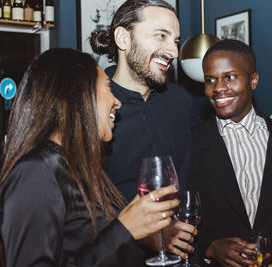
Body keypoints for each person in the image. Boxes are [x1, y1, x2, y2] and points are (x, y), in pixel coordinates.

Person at [0, 48, 180, 266]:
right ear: (75, 94)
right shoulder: (36, 172)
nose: (117, 102)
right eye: (108, 87)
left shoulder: (73, 168)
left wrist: (139, 234)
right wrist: (124, 230)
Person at [89, 0, 197, 258]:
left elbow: (209, 145)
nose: (173, 51)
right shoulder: (95, 106)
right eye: (161, 35)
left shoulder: (178, 100)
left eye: (176, 40)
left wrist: (268, 123)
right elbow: (81, 201)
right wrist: (144, 232)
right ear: (123, 39)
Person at [190, 39, 272, 267]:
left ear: (253, 80)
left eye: (230, 77)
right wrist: (210, 248)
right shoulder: (191, 142)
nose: (218, 88)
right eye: (210, 80)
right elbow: (178, 217)